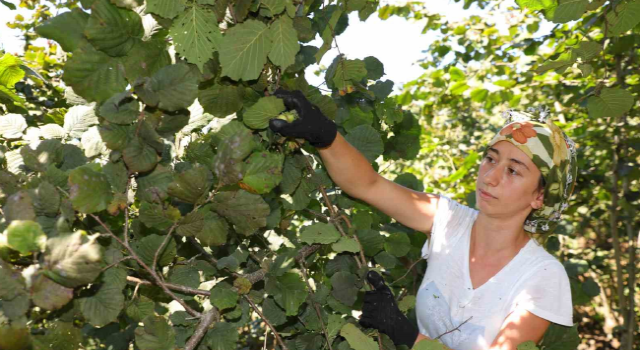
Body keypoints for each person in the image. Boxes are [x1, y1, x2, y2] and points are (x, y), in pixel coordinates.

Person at [268, 89, 578, 350]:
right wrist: (325, 135)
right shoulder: (449, 221)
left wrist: (404, 333)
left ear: (540, 197)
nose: (491, 177)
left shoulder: (543, 277)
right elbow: (368, 184)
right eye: (491, 159)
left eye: (513, 170)